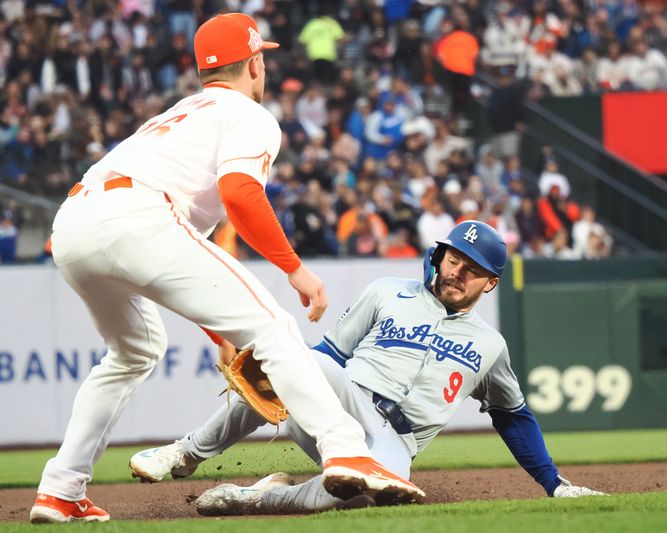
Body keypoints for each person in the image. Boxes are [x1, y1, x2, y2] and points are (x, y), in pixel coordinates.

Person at [29, 13, 422, 525]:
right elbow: (240, 193)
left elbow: (182, 260)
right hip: (140, 216)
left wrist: (220, 330)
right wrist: (294, 269)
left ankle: (60, 489)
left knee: (132, 352)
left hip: (75, 225)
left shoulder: (179, 114)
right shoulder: (248, 113)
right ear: (256, 61)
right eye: (264, 60)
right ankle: (346, 449)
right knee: (275, 327)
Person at [128, 221, 605, 516]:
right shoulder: (386, 291)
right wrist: (297, 379)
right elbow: (331, 358)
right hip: (346, 399)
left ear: (491, 282)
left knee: (365, 493)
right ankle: (184, 453)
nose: (456, 271)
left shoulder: (490, 345)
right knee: (294, 362)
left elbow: (513, 416)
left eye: (471, 268)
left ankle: (257, 498)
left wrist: (554, 484)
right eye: (453, 257)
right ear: (439, 255)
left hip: (394, 442)